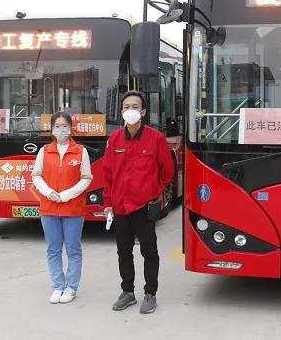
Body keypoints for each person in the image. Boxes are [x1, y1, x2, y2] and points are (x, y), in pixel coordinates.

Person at [103, 90, 174, 314]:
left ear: (143, 112)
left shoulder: (155, 138)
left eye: (135, 106)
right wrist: (108, 203)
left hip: (144, 206)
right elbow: (108, 174)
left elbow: (168, 170)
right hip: (120, 206)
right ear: (121, 111)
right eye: (126, 107)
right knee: (123, 251)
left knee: (149, 252)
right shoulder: (114, 139)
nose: (130, 110)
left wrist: (155, 191)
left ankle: (150, 293)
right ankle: (128, 292)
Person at [32, 112, 93, 304]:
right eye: (57, 126)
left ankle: (71, 287)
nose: (61, 130)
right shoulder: (44, 151)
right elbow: (36, 176)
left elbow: (86, 178)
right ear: (51, 129)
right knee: (53, 249)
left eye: (64, 126)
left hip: (73, 209)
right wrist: (48, 192)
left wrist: (66, 195)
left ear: (71, 128)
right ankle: (58, 286)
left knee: (73, 249)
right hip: (49, 208)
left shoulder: (80, 151)